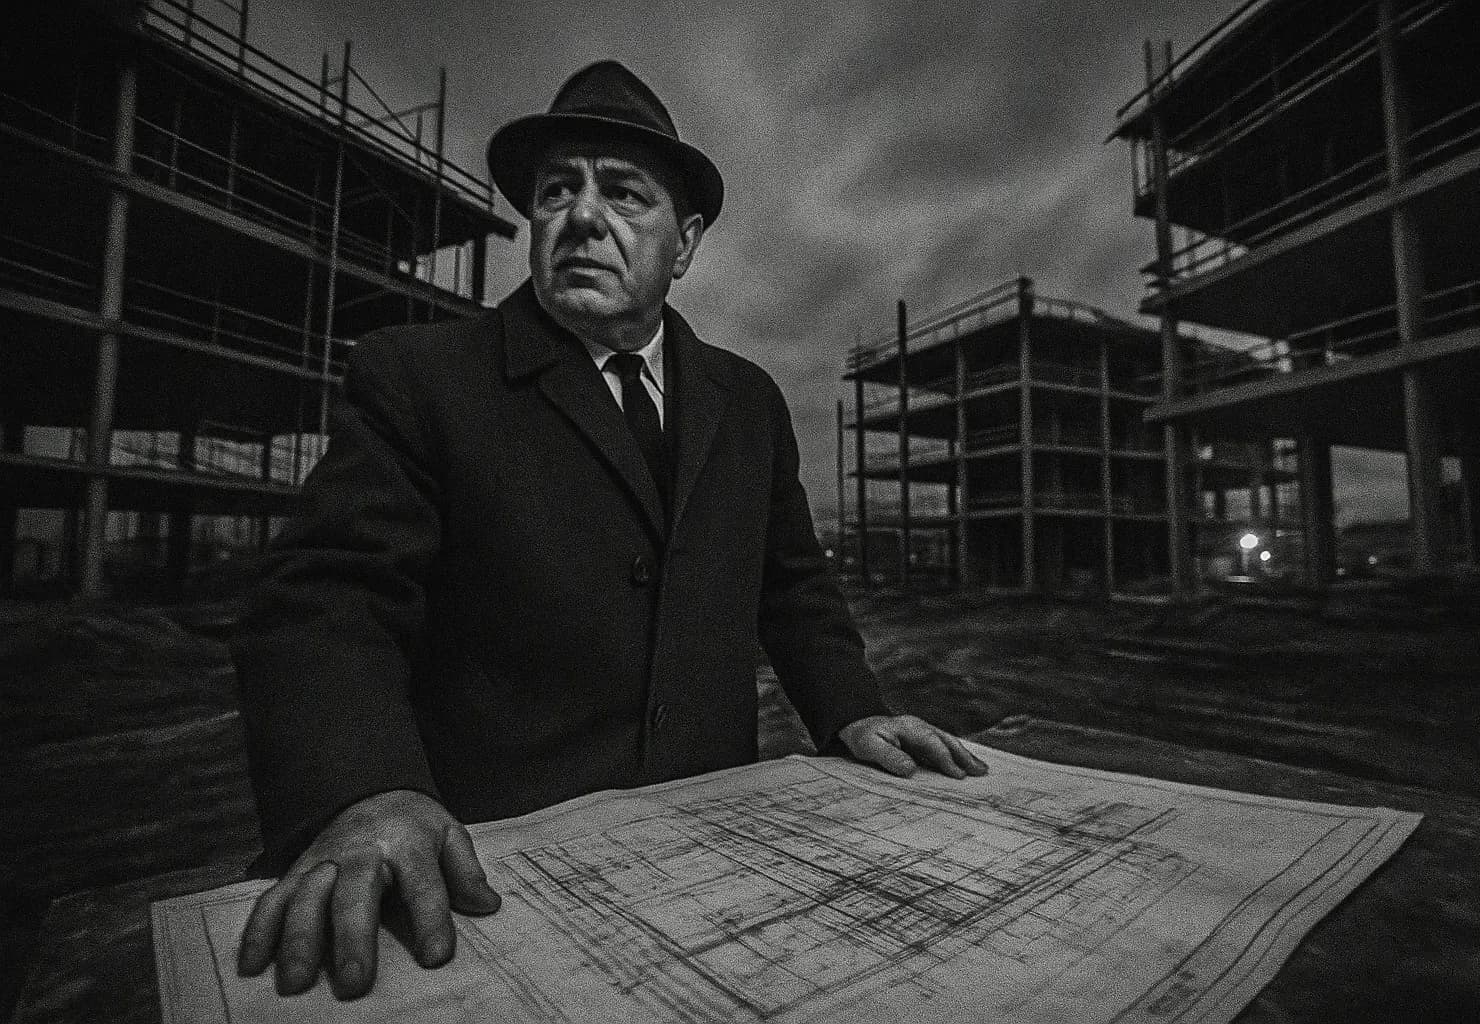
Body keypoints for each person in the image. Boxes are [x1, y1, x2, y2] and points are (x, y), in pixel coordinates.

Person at [231, 60, 988, 1000]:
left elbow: (791, 585)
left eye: (624, 193)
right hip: (496, 882)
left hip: (719, 851)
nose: (583, 217)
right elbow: (326, 598)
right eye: (558, 191)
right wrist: (361, 789)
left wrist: (851, 707)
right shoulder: (421, 379)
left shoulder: (746, 402)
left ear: (687, 244)